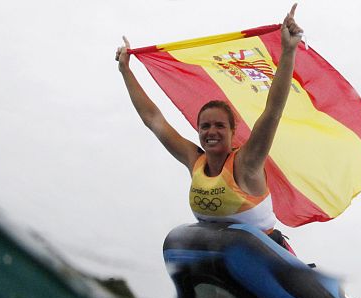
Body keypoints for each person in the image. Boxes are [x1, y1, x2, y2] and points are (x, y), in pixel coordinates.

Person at [114, 4, 303, 252]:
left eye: (219, 126)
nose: (211, 131)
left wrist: (288, 51)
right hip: (219, 255)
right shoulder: (194, 160)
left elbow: (273, 112)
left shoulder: (247, 163)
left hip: (267, 255)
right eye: (204, 126)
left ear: (233, 132)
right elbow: (153, 119)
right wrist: (125, 71)